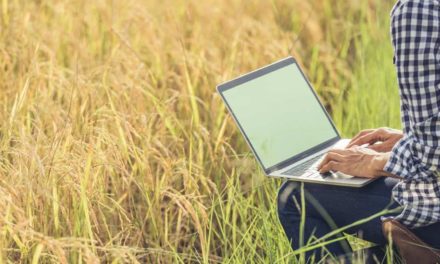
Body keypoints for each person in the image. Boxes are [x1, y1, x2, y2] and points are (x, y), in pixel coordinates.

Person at [277, 0, 440, 262]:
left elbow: (429, 160)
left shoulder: (417, 9)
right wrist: (410, 138)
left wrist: (372, 161)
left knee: (296, 196)